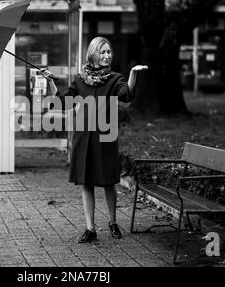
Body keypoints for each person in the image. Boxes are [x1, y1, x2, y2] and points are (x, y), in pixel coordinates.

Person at [40, 37, 148, 243]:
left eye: (109, 52)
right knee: (86, 183)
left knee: (109, 182)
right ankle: (90, 228)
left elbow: (127, 94)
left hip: (106, 137)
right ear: (93, 54)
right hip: (83, 137)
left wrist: (133, 74)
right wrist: (50, 81)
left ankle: (113, 222)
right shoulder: (80, 79)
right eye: (103, 52)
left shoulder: (115, 79)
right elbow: (64, 103)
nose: (107, 56)